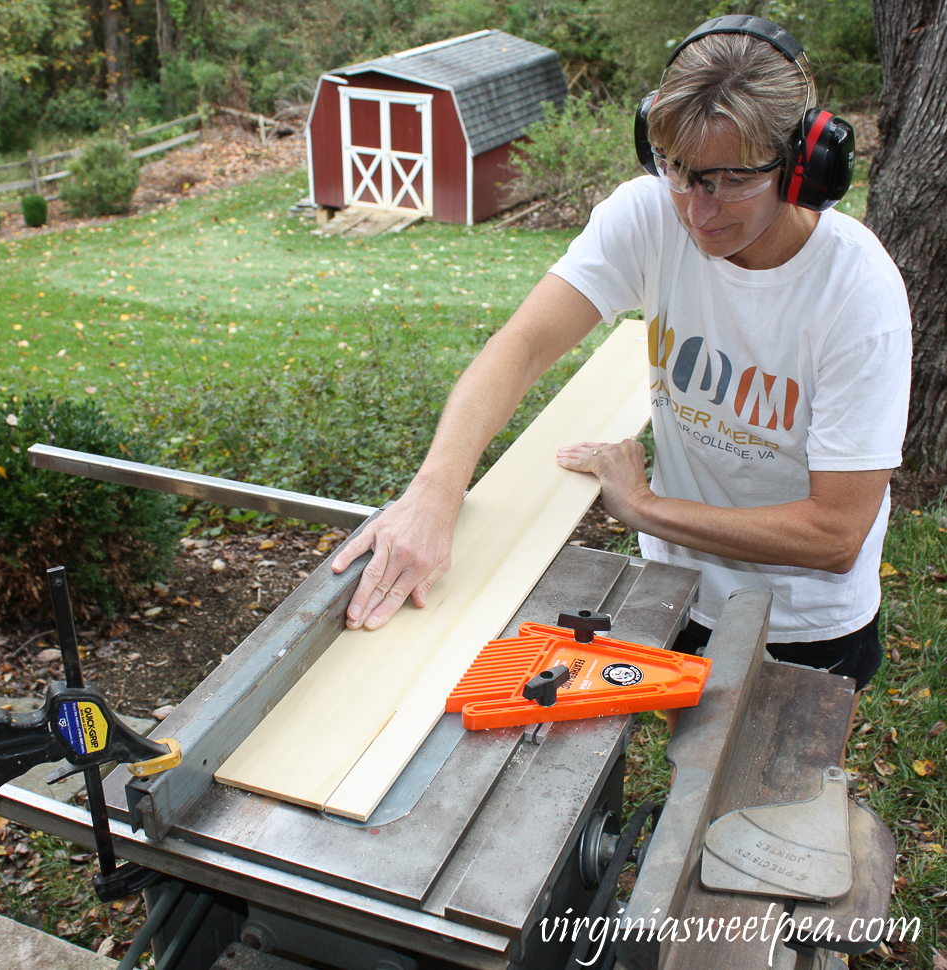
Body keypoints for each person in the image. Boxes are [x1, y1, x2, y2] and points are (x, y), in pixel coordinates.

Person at [331, 16, 912, 711]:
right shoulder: (648, 216)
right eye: (681, 172)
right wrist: (434, 492)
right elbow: (521, 347)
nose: (699, 210)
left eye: (731, 180)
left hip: (803, 623)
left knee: (760, 808)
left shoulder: (856, 290)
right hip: (676, 590)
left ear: (801, 165)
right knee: (685, 765)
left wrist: (643, 507)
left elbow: (836, 533)